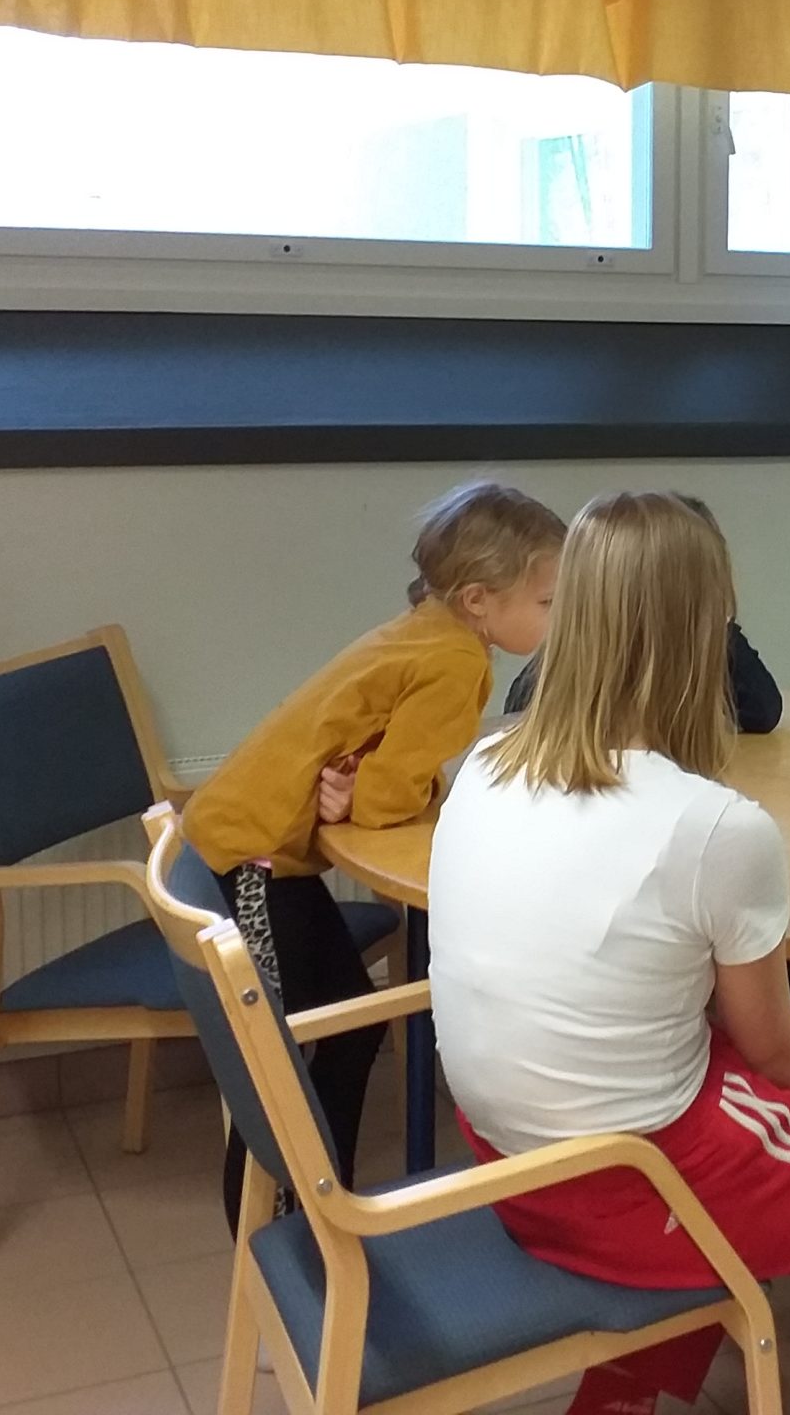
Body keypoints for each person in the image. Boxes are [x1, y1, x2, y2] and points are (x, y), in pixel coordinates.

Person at [428, 492, 790, 1415]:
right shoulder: (715, 826)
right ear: (708, 632)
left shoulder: (483, 765)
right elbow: (782, 1064)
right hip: (636, 1187)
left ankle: (618, 1402)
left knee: (696, 1067)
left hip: (504, 1159)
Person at [182, 479, 566, 1224]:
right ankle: (287, 1222)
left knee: (348, 1027)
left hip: (243, 844)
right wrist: (378, 792)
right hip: (253, 862)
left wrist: (369, 785)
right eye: (546, 601)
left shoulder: (423, 629)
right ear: (480, 599)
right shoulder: (459, 663)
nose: (556, 617)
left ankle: (322, 1203)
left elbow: (385, 771)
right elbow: (392, 797)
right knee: (287, 1055)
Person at [500, 496, 782, 734]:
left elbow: (763, 712)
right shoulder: (587, 640)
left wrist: (718, 625)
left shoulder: (699, 645)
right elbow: (519, 712)